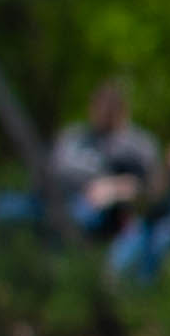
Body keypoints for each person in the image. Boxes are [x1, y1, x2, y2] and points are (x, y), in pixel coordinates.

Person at [48, 81, 159, 244]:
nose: (104, 113)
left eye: (110, 108)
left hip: (113, 212)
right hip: (62, 199)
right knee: (6, 209)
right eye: (99, 106)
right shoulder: (74, 137)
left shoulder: (140, 144)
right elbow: (54, 167)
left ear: (122, 110)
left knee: (77, 215)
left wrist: (113, 187)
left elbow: (151, 186)